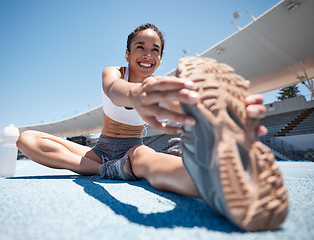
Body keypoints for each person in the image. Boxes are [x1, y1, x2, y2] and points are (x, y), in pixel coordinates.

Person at [16, 23, 288, 231]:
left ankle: (214, 182)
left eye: (155, 50)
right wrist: (136, 95)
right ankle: (104, 171)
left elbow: (184, 109)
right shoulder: (114, 73)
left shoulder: (161, 86)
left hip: (131, 152)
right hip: (98, 152)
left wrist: (216, 114)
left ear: (160, 58)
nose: (147, 55)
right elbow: (114, 90)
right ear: (127, 53)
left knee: (149, 162)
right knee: (25, 140)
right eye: (140, 47)